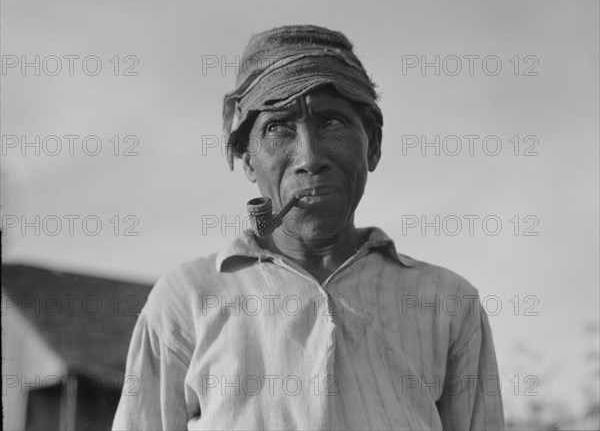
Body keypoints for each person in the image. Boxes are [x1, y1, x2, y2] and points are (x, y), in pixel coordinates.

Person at [112, 25, 505, 430]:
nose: (309, 157)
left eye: (332, 123)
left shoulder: (447, 302)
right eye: (278, 128)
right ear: (248, 161)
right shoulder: (186, 299)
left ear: (372, 144)